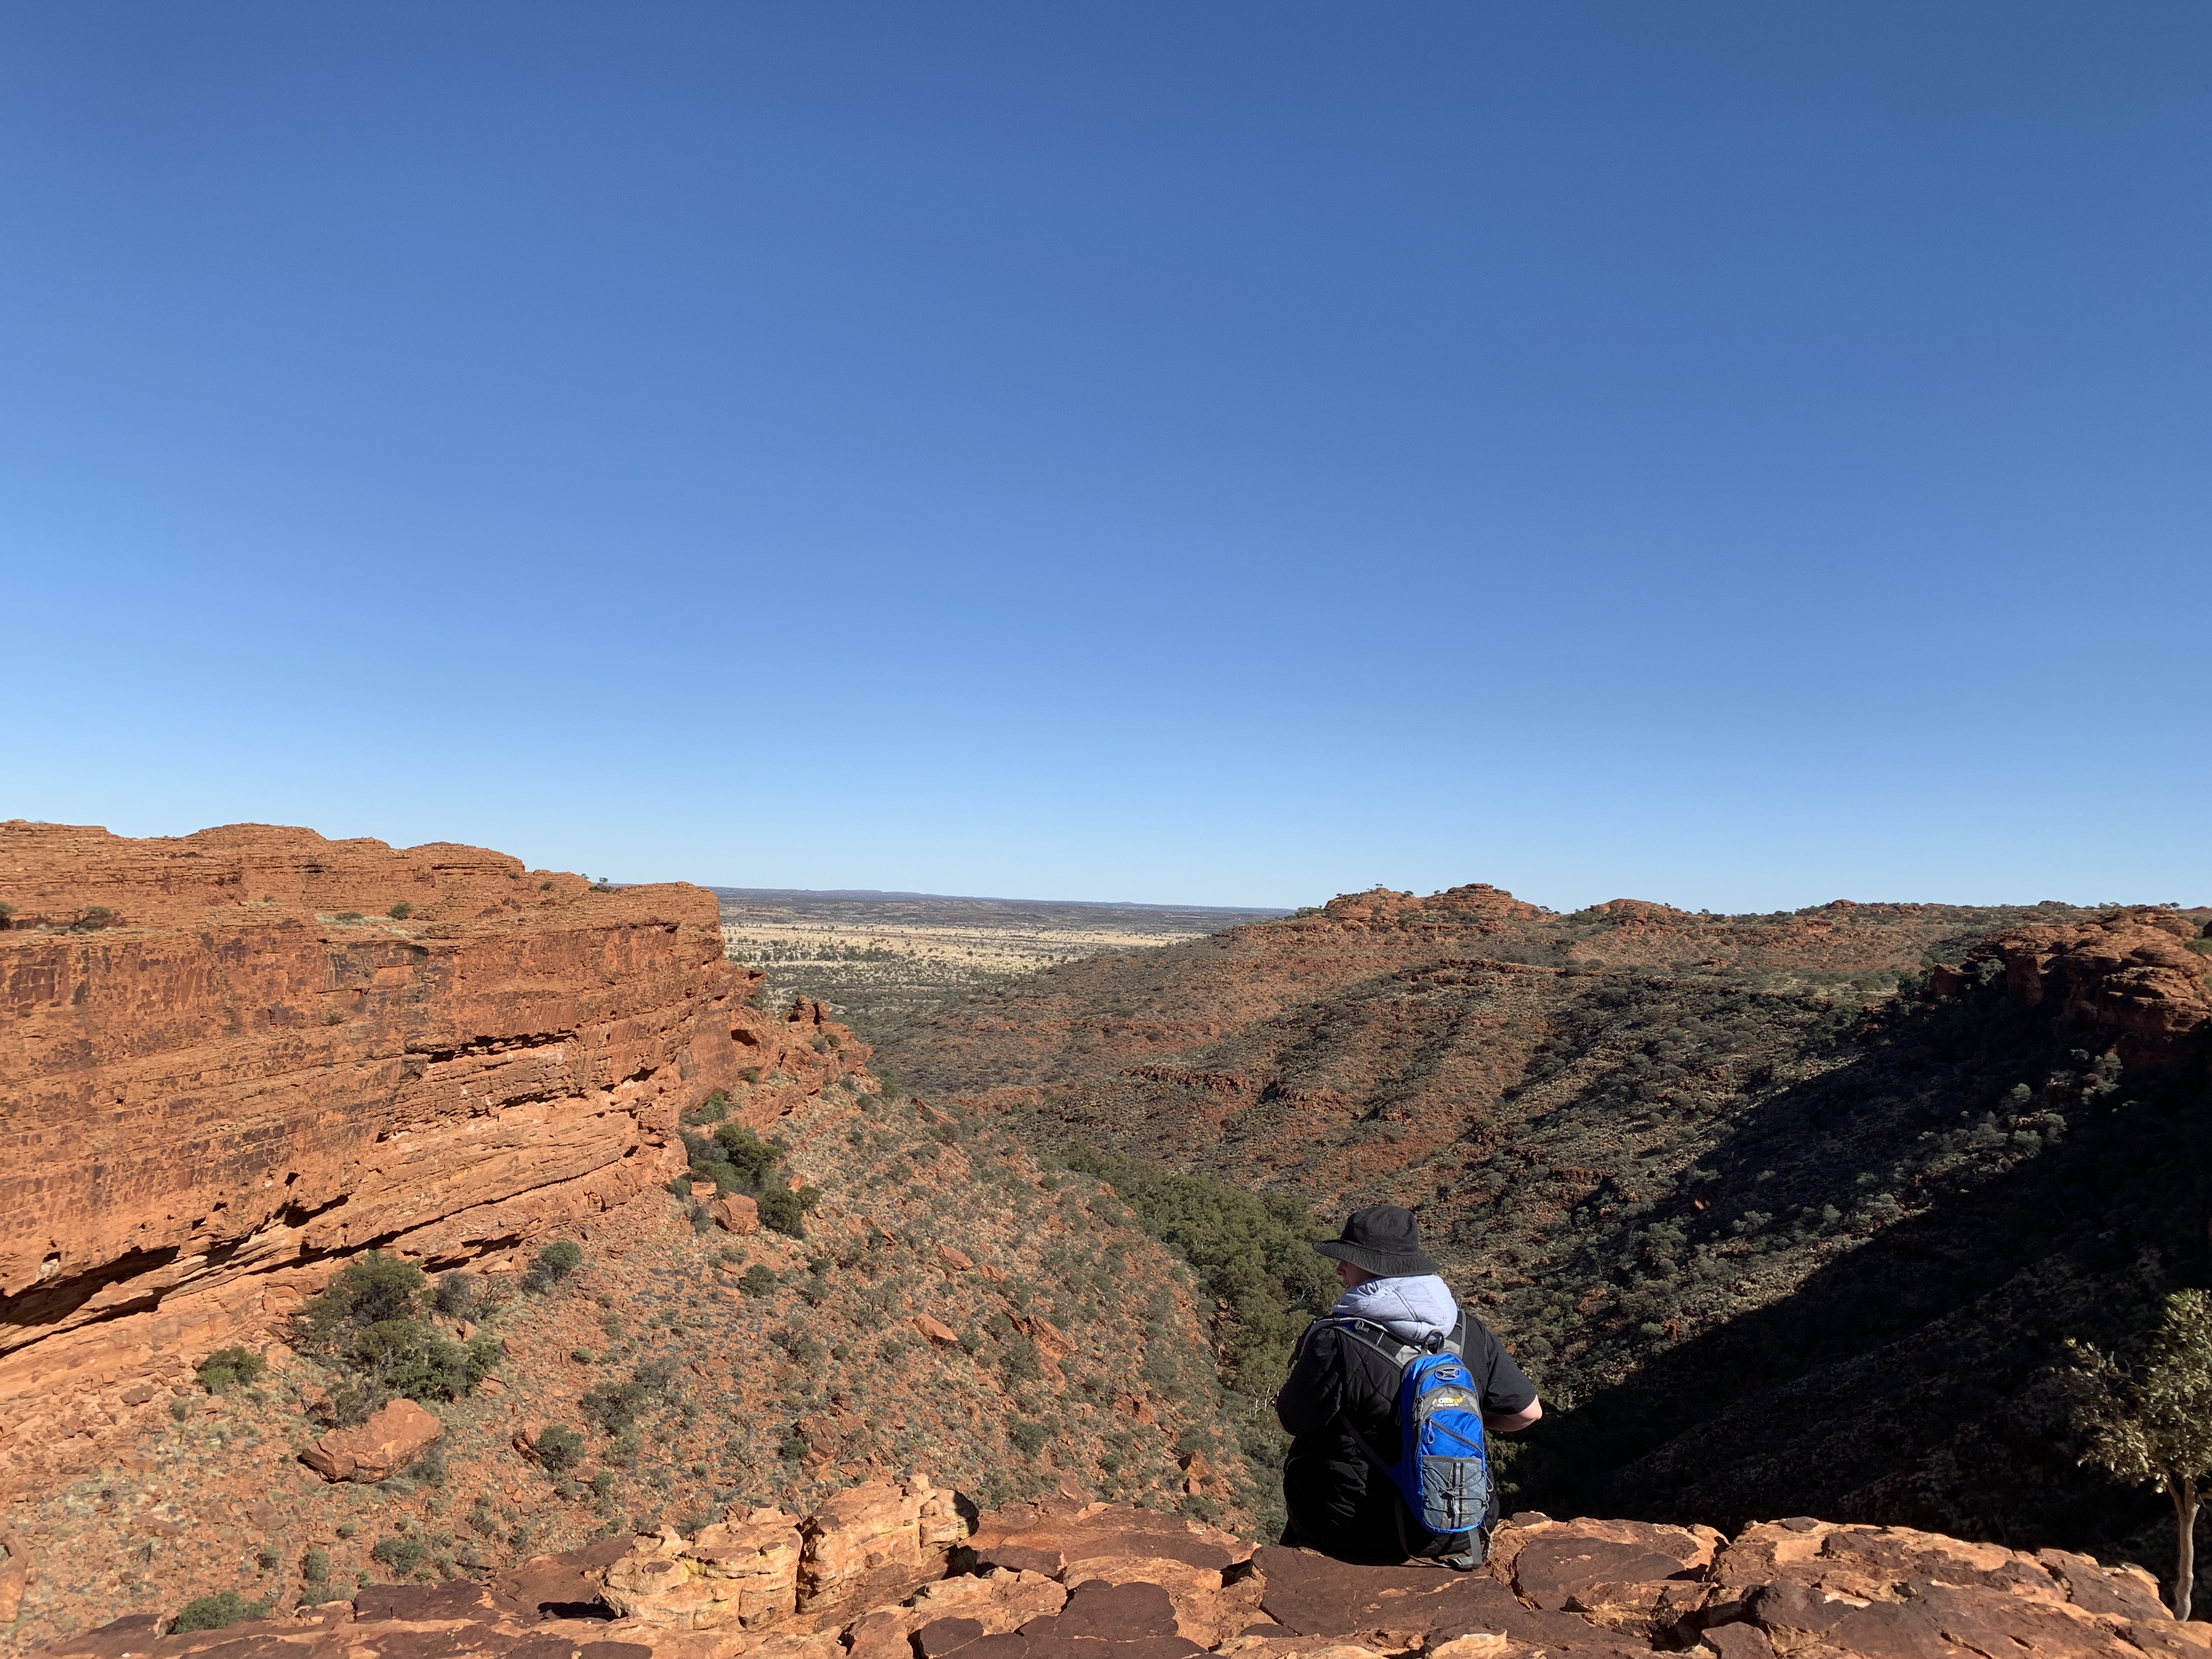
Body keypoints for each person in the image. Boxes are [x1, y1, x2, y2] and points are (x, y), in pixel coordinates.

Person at [1275, 1204, 1542, 1562]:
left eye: (1348, 1259)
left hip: (1355, 1534)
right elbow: (1528, 1414)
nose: (1339, 1267)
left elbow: (1290, 1421)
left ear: (1374, 1267)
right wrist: (1447, 1419)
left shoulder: (1336, 1341)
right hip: (1457, 1528)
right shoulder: (1468, 1330)